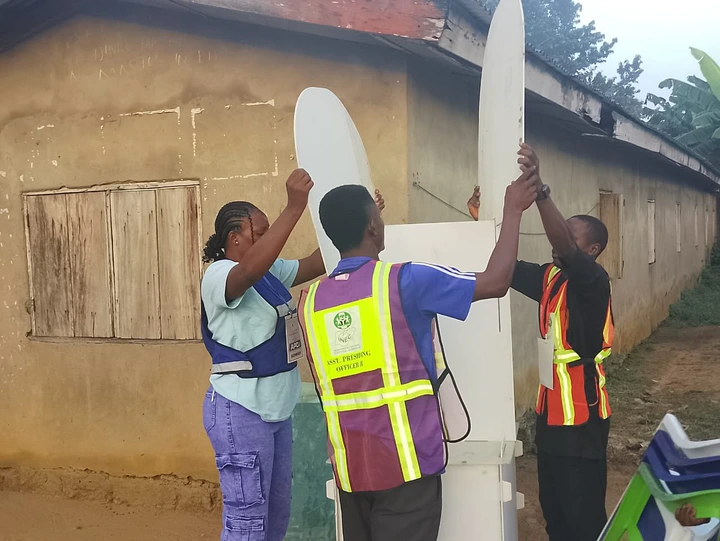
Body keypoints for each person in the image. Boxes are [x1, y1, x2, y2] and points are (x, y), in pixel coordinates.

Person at [297, 166, 539, 541]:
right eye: (378, 218)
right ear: (374, 229)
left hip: (351, 465)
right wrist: (513, 212)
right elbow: (496, 281)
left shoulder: (310, 301)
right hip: (405, 464)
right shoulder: (404, 280)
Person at [200, 168, 384, 541]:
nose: (271, 240)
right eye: (261, 233)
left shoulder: (271, 274)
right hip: (241, 410)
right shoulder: (220, 275)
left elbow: (318, 262)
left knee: (276, 515)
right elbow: (249, 271)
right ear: (235, 239)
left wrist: (358, 223)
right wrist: (294, 208)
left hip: (276, 412)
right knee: (248, 519)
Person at [468, 143, 613, 541]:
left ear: (593, 250)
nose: (558, 238)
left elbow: (564, 245)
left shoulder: (593, 283)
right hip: (551, 418)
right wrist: (486, 223)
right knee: (556, 515)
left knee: (582, 519)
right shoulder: (552, 278)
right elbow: (506, 268)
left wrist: (540, 193)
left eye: (570, 234)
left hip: (582, 421)